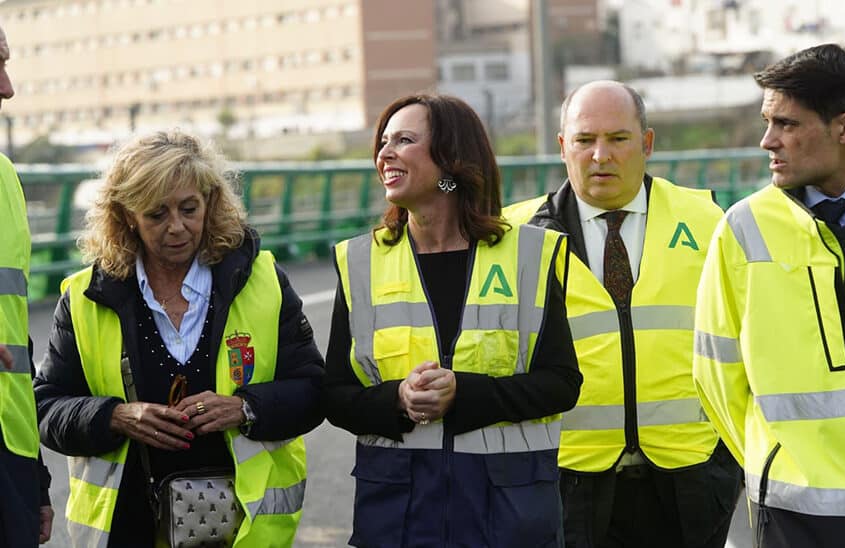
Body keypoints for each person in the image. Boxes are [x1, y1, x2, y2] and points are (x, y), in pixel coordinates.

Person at [33, 130, 325, 547]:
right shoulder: (84, 297)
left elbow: (313, 390)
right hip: (126, 528)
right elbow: (46, 407)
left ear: (211, 201)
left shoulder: (263, 281)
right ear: (126, 215)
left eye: (190, 209)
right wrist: (115, 417)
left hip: (243, 531)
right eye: (156, 214)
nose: (177, 227)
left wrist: (245, 407)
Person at [324, 93, 581, 547]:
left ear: (451, 160)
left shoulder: (529, 255)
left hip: (507, 519)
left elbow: (561, 384)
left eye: (404, 140)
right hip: (398, 520)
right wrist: (398, 399)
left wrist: (465, 392)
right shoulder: (360, 261)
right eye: (383, 142)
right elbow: (336, 395)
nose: (385, 153)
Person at [505, 80, 742, 548]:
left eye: (618, 139)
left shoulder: (710, 221)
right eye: (584, 140)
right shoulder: (515, 236)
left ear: (647, 144)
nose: (600, 155)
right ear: (562, 147)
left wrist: (728, 462)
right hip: (567, 478)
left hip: (691, 478)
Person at [693, 43, 845, 547]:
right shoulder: (743, 229)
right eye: (767, 122)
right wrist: (770, 463)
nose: (768, 141)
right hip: (793, 512)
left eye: (787, 124)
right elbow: (716, 375)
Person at [0, 24, 54, 546]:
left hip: (9, 455)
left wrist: (34, 478)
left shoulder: (5, 178)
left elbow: (16, 335)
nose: (7, 87)